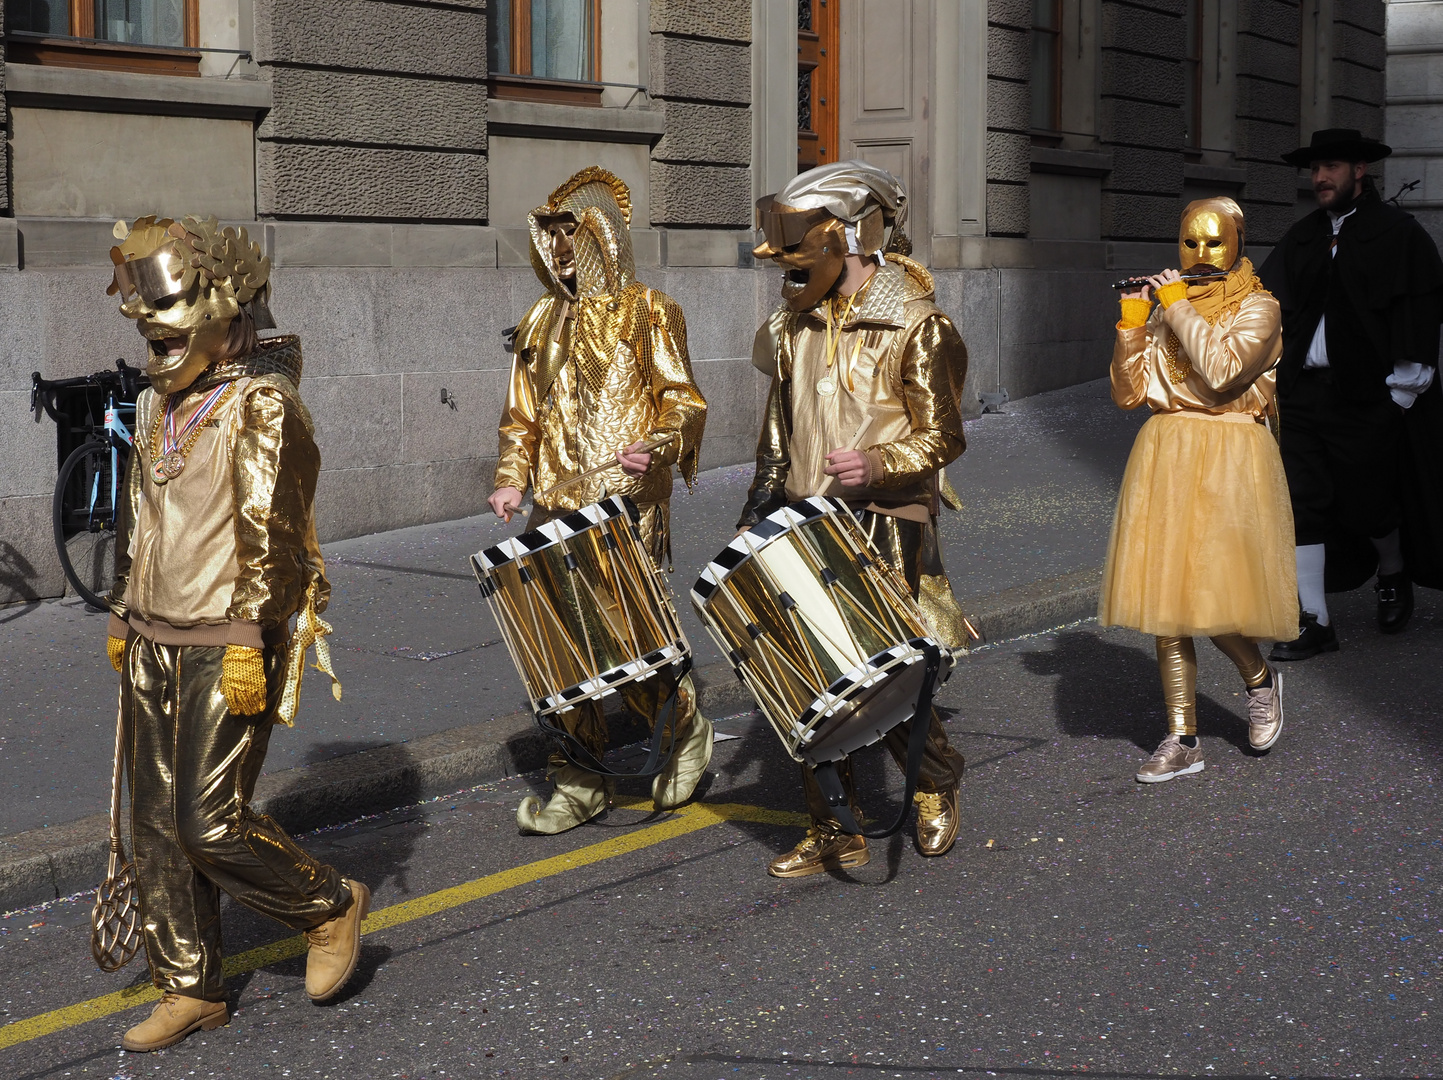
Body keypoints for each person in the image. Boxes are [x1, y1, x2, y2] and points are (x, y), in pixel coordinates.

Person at [104, 215, 366, 1051]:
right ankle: (190, 987)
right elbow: (138, 517)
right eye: (146, 316)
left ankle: (327, 904)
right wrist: (121, 607)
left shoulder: (262, 404)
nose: (156, 334)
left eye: (173, 313)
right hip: (154, 635)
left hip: (230, 640)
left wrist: (253, 633)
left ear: (228, 308)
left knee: (208, 819)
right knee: (151, 825)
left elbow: (275, 533)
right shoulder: (152, 403)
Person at [739, 160, 970, 877]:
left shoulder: (918, 326)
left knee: (884, 678)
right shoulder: (789, 327)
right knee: (807, 681)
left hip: (883, 518)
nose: (782, 272)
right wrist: (757, 510)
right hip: (801, 520)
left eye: (795, 251)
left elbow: (943, 438)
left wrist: (876, 465)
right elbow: (776, 428)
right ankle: (831, 825)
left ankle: (933, 784)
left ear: (845, 239)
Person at [489, 167, 711, 833]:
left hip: (626, 500)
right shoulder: (539, 318)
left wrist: (660, 444)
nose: (560, 248)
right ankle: (579, 776)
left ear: (603, 239)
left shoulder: (649, 308)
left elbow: (682, 399)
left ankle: (682, 736)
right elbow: (520, 415)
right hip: (553, 503)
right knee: (558, 646)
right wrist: (510, 477)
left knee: (629, 635)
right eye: (549, 235)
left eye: (571, 233)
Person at [1100, 197, 1295, 782]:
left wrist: (1175, 306)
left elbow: (1221, 371)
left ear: (1238, 242)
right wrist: (1133, 324)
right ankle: (1183, 737)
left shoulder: (1260, 306)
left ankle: (1259, 680)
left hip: (1231, 454)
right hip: (1166, 452)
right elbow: (1128, 394)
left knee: (1214, 592)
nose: (1202, 254)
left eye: (1215, 242)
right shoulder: (1166, 307)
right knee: (1167, 600)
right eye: (1190, 242)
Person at [1260, 128, 1443, 660]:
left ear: (1360, 170)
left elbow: (1416, 313)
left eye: (1332, 167)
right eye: (1316, 169)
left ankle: (1393, 570)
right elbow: (1270, 307)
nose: (1320, 178)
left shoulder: (1398, 234)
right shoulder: (1303, 236)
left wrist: (1400, 395)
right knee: (1301, 502)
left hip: (1368, 398)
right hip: (1304, 394)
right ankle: (1314, 622)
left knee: (1370, 504)